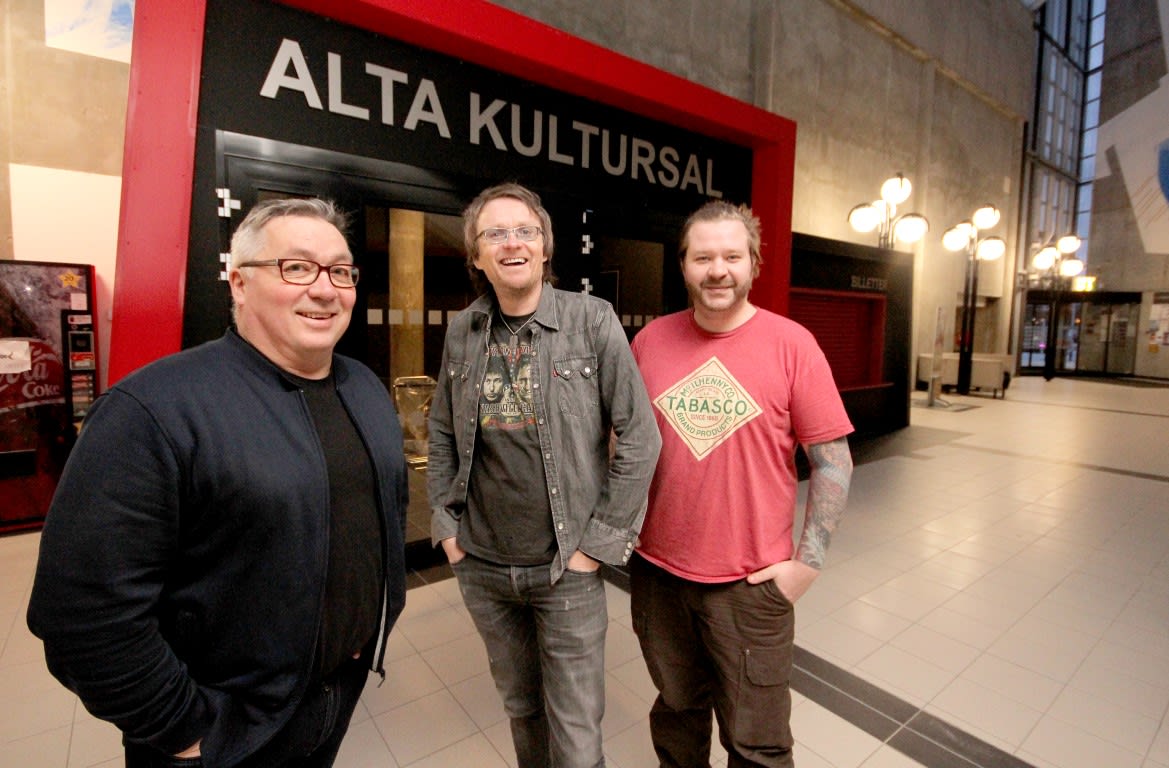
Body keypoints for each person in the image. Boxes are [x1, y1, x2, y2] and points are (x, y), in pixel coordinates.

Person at [26, 198, 409, 768]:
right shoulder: (153, 409)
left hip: (332, 698)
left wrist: (365, 625)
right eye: (296, 267)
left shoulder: (365, 389)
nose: (325, 289)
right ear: (239, 283)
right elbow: (82, 614)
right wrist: (185, 730)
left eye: (340, 271)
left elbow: (376, 524)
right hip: (219, 736)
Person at [428, 182, 661, 768]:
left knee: (577, 739)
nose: (512, 243)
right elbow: (442, 432)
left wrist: (597, 546)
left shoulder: (591, 321)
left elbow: (641, 436)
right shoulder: (463, 330)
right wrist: (448, 529)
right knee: (523, 710)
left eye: (524, 231)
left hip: (565, 569)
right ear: (477, 255)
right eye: (495, 234)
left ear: (545, 246)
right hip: (483, 566)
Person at [629, 200, 854, 768]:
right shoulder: (650, 341)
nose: (717, 270)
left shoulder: (792, 344)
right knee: (677, 715)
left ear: (754, 264)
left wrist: (807, 564)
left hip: (750, 586)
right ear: (684, 265)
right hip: (658, 577)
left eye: (732, 256)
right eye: (703, 257)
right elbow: (620, 444)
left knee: (758, 744)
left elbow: (833, 461)